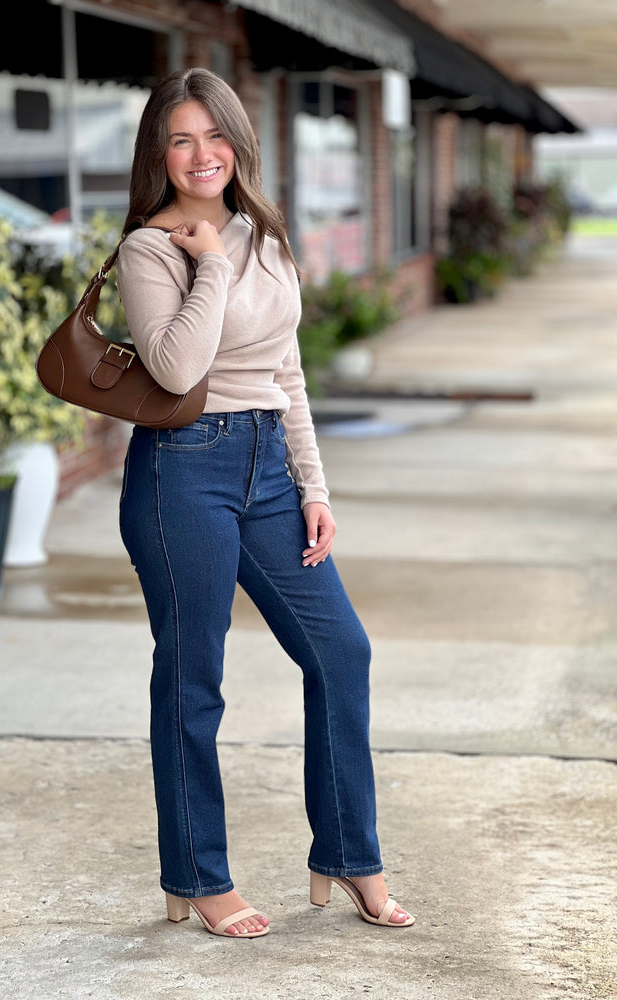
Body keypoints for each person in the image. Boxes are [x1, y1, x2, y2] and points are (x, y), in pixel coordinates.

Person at [116, 67, 414, 939]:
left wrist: (313, 487)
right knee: (193, 680)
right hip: (183, 471)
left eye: (215, 136)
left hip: (269, 475)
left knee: (341, 653)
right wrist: (205, 260)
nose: (200, 154)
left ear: (238, 144)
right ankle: (198, 876)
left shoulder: (268, 234)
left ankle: (350, 855)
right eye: (181, 138)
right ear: (160, 152)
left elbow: (287, 372)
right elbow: (175, 367)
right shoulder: (149, 248)